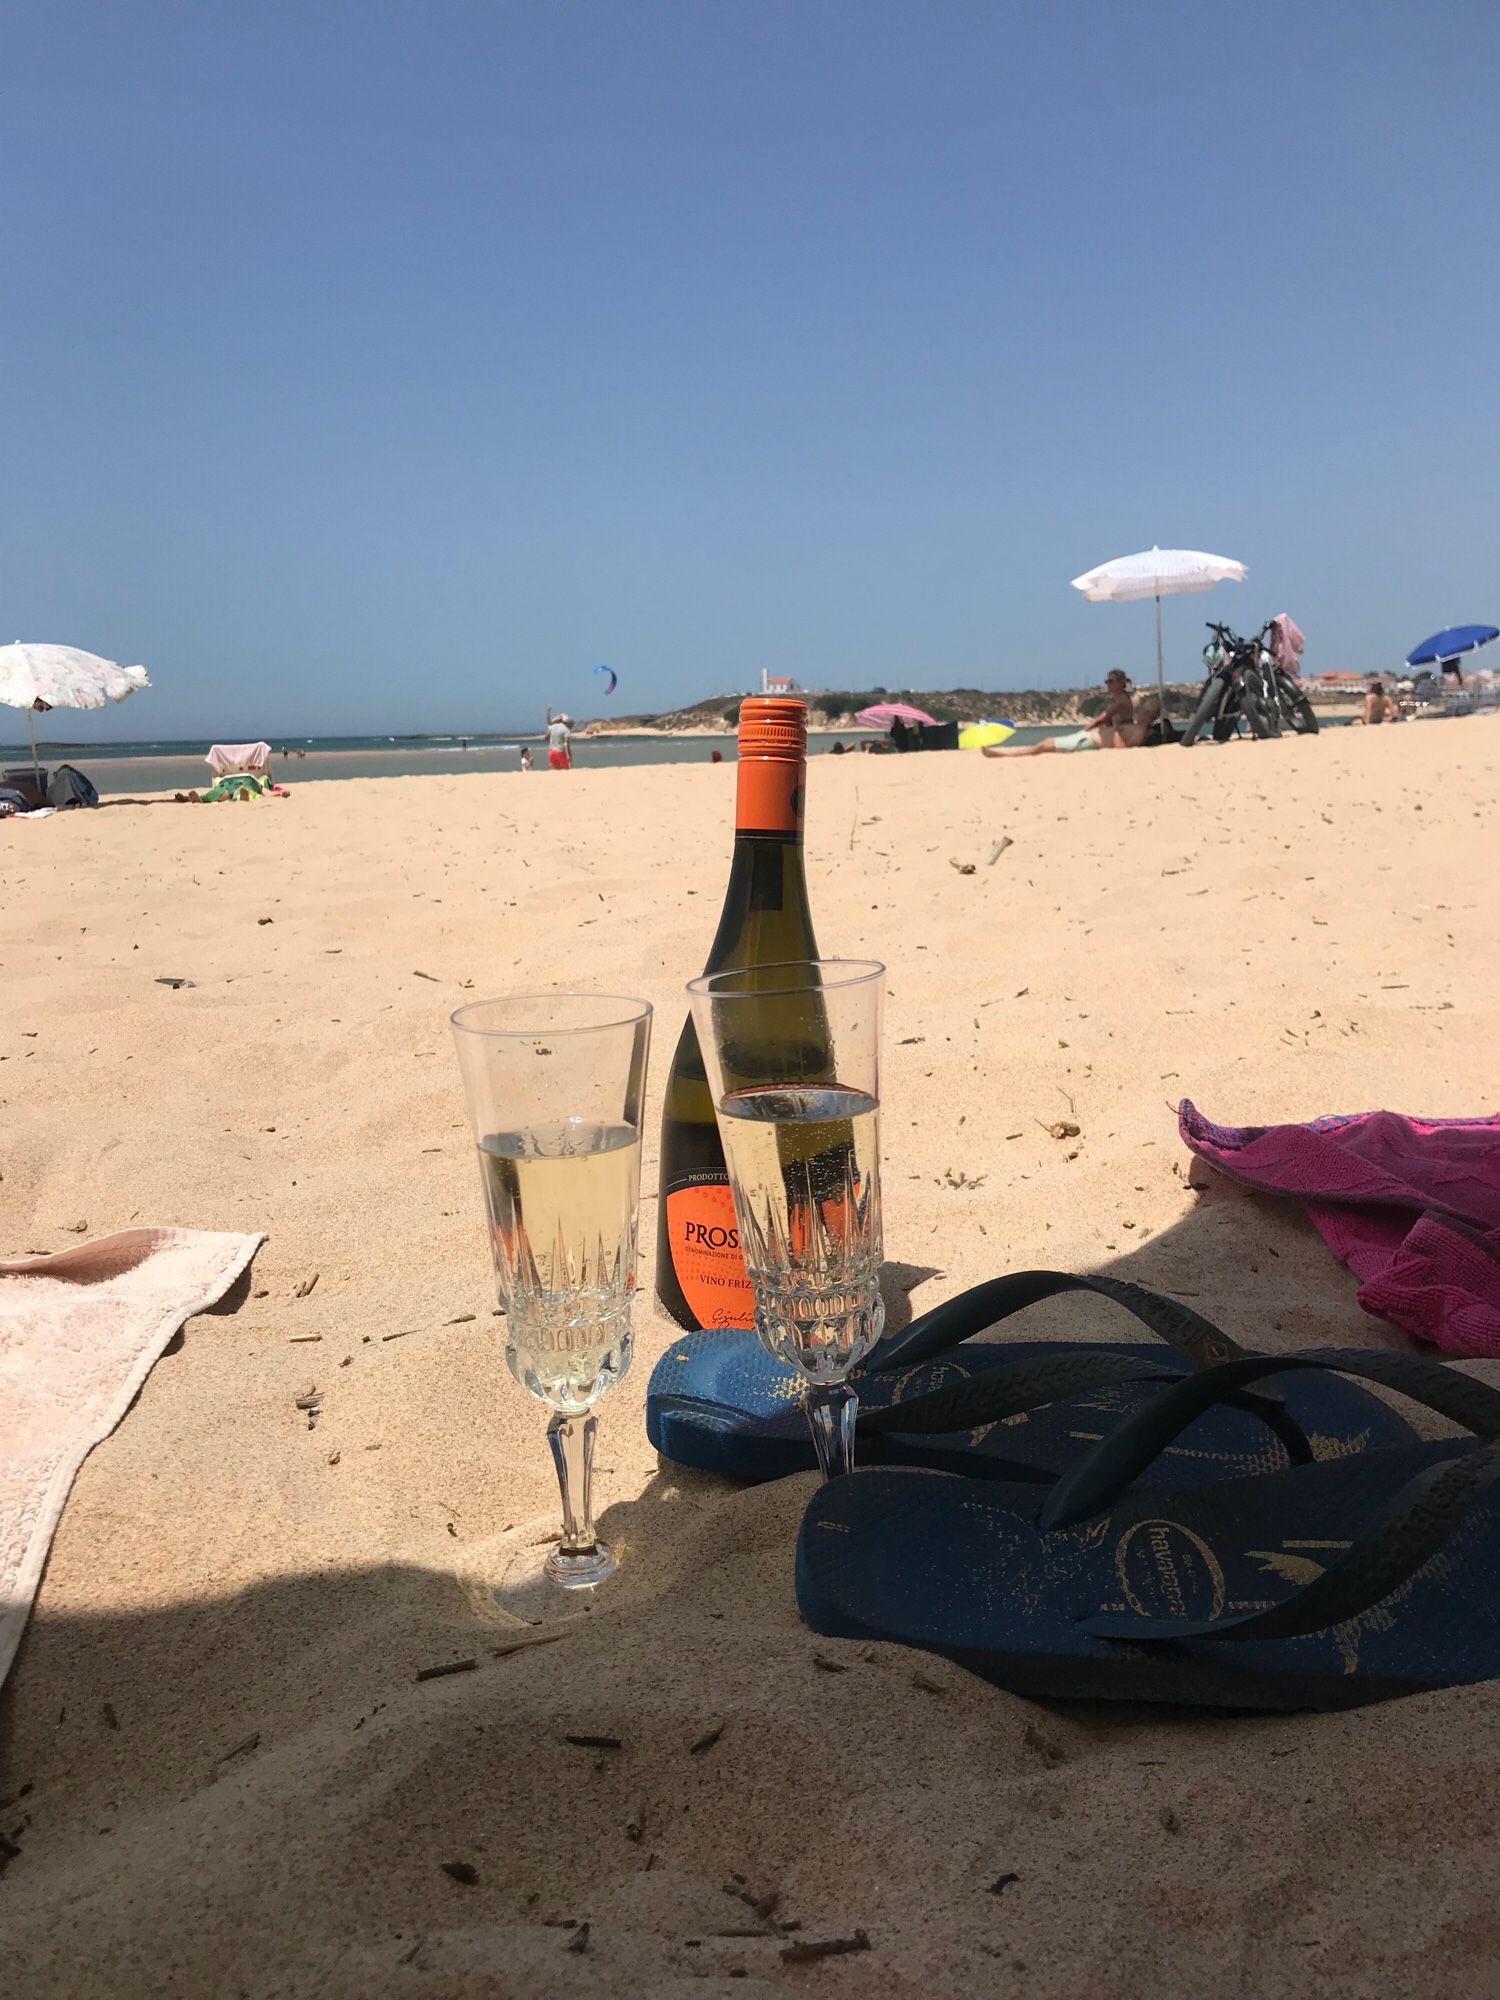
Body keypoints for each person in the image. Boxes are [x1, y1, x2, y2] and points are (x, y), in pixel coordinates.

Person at [983, 671, 1135, 757]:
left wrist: (1086, 728)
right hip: (1099, 736)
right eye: (1107, 681)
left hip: (1097, 738)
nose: (1108, 684)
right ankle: (1002, 752)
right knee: (1045, 743)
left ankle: (1001, 754)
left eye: (1111, 681)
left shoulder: (1121, 700)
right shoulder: (1119, 699)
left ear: (1121, 683)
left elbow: (1104, 717)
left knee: (1045, 744)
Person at [544, 707, 573, 771]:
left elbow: (545, 737)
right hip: (560, 752)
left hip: (551, 752)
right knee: (566, 771)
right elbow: (566, 744)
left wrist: (550, 742)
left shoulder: (553, 726)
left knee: (556, 772)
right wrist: (569, 755)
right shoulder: (566, 730)